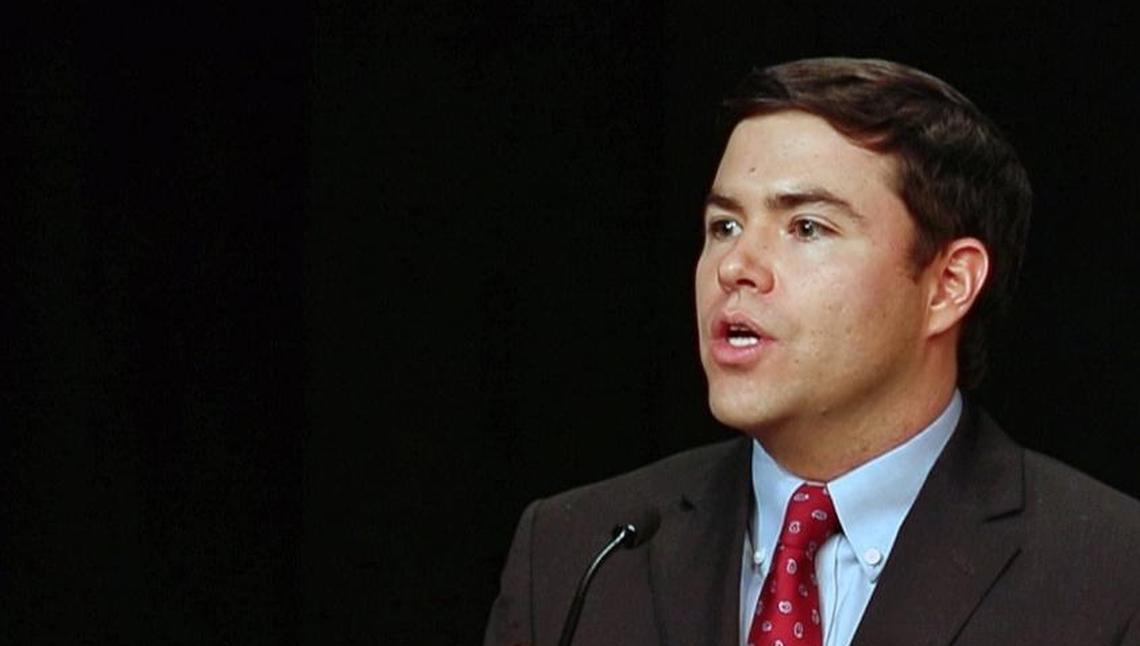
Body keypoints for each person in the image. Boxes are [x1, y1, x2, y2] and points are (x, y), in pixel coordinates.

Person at [483, 58, 1140, 646]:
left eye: (806, 227)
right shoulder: (576, 552)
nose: (736, 266)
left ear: (948, 285)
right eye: (724, 226)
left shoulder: (1110, 570)